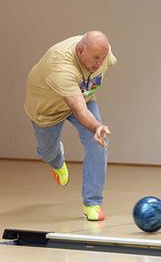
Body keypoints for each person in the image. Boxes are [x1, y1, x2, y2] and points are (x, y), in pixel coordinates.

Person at [24, 30, 117, 221]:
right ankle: (57, 161)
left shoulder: (104, 54)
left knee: (98, 142)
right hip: (47, 109)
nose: (100, 63)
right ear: (80, 50)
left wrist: (97, 130)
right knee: (46, 152)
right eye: (96, 58)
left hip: (82, 96)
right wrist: (96, 126)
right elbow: (80, 110)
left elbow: (83, 104)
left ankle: (92, 203)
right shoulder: (60, 66)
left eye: (103, 57)